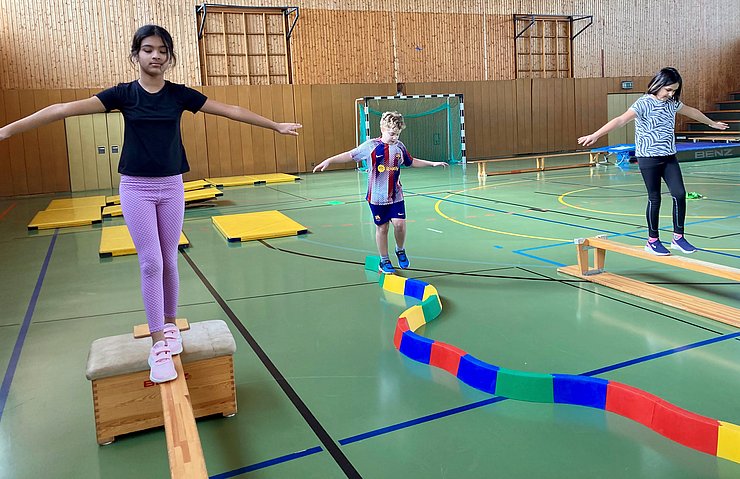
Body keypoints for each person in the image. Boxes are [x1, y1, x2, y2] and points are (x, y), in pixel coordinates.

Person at [0, 24, 301, 383]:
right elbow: (63, 109)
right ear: (136, 55)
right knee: (150, 262)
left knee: (169, 259)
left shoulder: (178, 95)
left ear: (169, 57)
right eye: (147, 49)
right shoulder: (124, 95)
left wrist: (274, 125)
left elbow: (231, 109)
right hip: (136, 188)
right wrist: (5, 131)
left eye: (162, 50)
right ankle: (157, 342)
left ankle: (170, 326)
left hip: (173, 186)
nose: (155, 55)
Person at [577, 67, 728, 256]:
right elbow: (620, 120)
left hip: (669, 156)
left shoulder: (672, 103)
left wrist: (712, 123)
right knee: (654, 198)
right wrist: (596, 135)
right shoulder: (643, 103)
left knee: (679, 194)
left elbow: (692, 112)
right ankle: (652, 240)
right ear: (658, 85)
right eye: (668, 89)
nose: (671, 93)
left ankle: (678, 237)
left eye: (674, 90)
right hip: (648, 157)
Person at [312, 111, 447, 273]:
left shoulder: (399, 147)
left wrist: (431, 164)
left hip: (396, 195)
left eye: (397, 134)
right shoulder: (370, 146)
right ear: (382, 128)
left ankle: (400, 249)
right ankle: (384, 260)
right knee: (382, 228)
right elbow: (349, 155)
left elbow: (411, 161)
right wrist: (329, 160)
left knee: (400, 225)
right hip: (377, 198)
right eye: (392, 134)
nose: (395, 137)